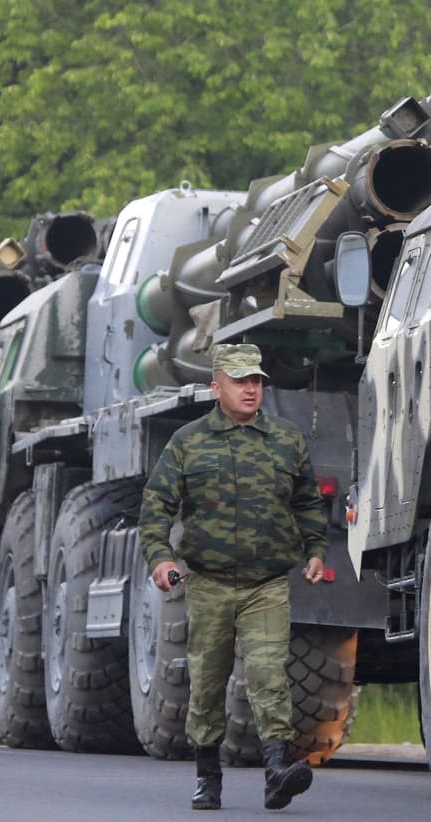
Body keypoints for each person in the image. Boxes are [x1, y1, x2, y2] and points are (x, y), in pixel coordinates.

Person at [138, 343, 328, 811]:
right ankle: (207, 776)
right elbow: (156, 506)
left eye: (256, 380)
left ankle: (277, 770)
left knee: (268, 674)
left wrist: (316, 550)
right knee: (207, 682)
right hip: (209, 584)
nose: (250, 389)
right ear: (215, 387)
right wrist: (160, 558)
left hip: (267, 584)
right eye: (240, 381)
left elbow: (307, 501)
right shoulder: (188, 441)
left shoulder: (286, 440)